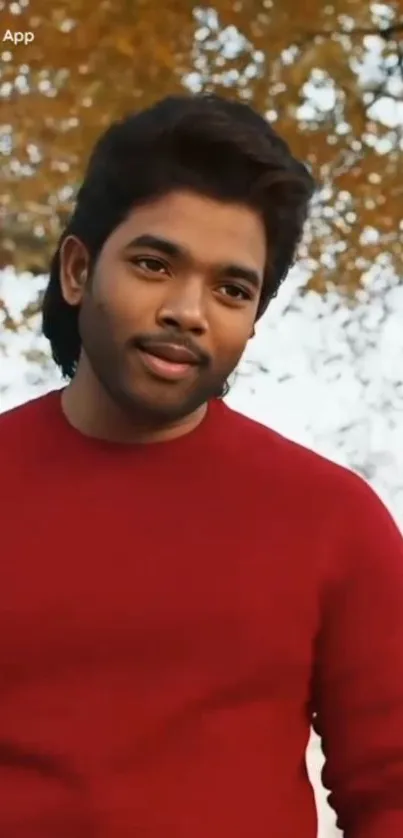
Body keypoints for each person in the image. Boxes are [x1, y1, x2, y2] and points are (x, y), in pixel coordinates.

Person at [1, 93, 402, 838]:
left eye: (230, 289)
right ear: (79, 269)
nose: (189, 310)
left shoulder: (335, 524)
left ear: (253, 319)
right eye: (154, 264)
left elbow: (392, 792)